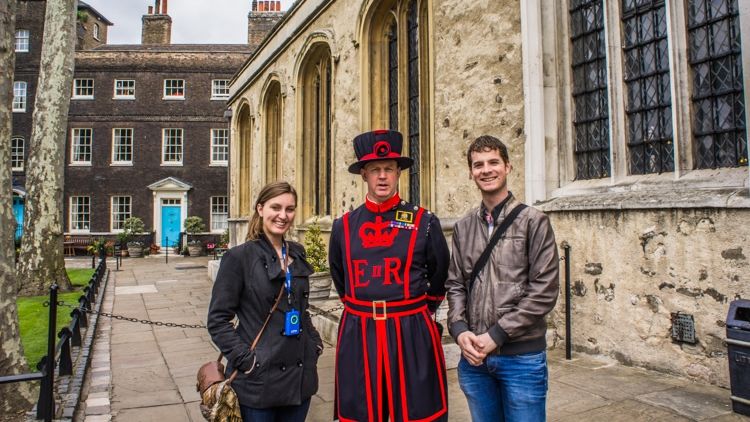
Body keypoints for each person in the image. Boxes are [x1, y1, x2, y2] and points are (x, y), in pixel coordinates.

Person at [328, 129, 450, 422]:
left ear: (398, 173)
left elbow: (440, 271)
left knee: (417, 410)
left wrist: (422, 309)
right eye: (375, 170)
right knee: (363, 412)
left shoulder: (424, 221)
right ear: (364, 176)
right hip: (360, 332)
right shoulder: (343, 226)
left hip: (411, 330)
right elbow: (341, 278)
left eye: (388, 169)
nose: (382, 176)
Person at [446, 135, 559, 421]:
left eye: (493, 162)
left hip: (521, 359)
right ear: (472, 172)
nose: (486, 170)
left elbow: (543, 291)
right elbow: (456, 284)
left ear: (507, 166)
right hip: (475, 360)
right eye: (478, 165)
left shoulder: (534, 221)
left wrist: (496, 335)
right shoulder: (463, 227)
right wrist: (459, 330)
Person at [207, 181, 323, 422]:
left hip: (299, 378)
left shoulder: (297, 252)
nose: (283, 216)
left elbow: (301, 309)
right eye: (276, 207)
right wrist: (248, 361)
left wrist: (314, 344)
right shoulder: (239, 258)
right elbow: (218, 320)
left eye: (290, 209)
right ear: (260, 209)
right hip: (258, 382)